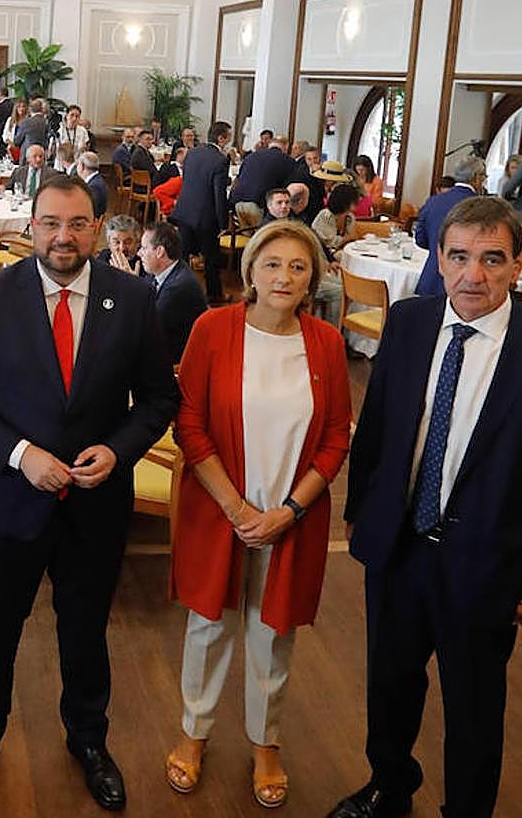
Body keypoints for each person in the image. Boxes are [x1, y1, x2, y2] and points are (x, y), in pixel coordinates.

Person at [0, 174, 178, 814]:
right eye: (50, 223)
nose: (63, 237)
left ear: (97, 228)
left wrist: (119, 449)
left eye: (76, 224)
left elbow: (158, 398)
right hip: (8, 504)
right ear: (32, 226)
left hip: (95, 504)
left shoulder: (133, 299)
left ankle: (89, 742)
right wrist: (21, 455)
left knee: (86, 633)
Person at [327, 196, 522, 818]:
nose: (473, 276)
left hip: (488, 562)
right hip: (400, 545)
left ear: (517, 266)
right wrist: (361, 508)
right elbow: (377, 423)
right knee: (389, 683)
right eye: (459, 257)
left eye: (492, 260)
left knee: (474, 705)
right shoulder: (409, 321)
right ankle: (389, 785)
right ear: (439, 257)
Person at [167, 220, 350, 809]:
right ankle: (194, 731)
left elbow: (336, 438)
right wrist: (235, 506)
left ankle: (265, 742)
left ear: (312, 279)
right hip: (221, 508)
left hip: (292, 516)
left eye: (298, 267)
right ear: (250, 272)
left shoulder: (325, 341)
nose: (284, 276)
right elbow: (189, 423)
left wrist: (290, 510)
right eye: (272, 264)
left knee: (275, 634)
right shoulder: (213, 328)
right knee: (208, 626)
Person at [174, 121, 233, 303]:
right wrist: (223, 224)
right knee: (211, 258)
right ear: (221, 138)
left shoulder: (192, 153)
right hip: (205, 217)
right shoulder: (221, 160)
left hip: (184, 211)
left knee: (183, 256)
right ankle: (215, 295)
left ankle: (178, 292)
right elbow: (219, 195)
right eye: (229, 137)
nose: (230, 141)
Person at [414, 156, 485, 296]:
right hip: (463, 283)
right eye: (484, 177)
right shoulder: (479, 207)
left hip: (431, 278)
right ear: (477, 178)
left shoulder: (433, 201)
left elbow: (420, 239)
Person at [140, 220, 206, 364]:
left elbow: (148, 328)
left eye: (144, 248)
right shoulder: (157, 272)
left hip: (174, 361)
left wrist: (130, 288)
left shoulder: (179, 288)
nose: (140, 253)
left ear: (160, 252)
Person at [231, 135, 296, 229]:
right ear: (285, 147)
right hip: (258, 203)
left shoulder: (251, 156)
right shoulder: (287, 161)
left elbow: (238, 178)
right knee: (261, 237)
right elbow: (287, 188)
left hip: (238, 201)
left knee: (246, 235)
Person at [311, 182, 361, 251]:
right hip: (322, 252)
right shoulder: (325, 216)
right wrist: (346, 239)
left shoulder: (349, 217)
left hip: (340, 251)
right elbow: (329, 243)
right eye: (354, 202)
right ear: (345, 202)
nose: (357, 205)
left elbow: (353, 238)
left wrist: (347, 239)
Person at [77, 151, 108, 218]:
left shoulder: (94, 187)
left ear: (82, 166)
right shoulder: (96, 180)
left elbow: (89, 211)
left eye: (77, 164)